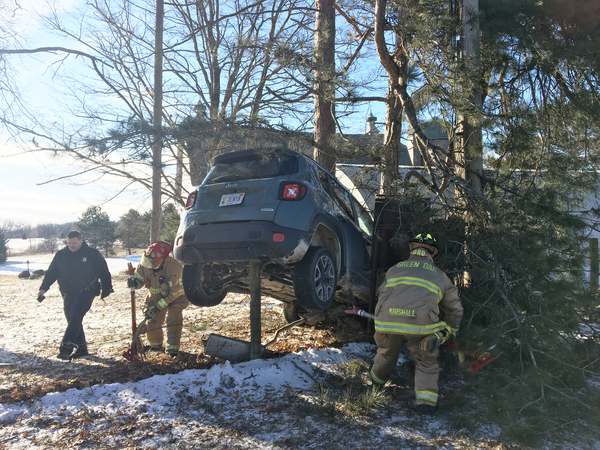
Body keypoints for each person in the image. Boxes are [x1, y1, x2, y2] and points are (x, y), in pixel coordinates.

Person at [370, 233, 463, 415]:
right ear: (432, 254)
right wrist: (449, 331)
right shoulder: (439, 276)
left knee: (386, 355)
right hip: (420, 326)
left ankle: (373, 388)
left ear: (412, 250)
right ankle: (426, 406)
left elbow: (380, 293)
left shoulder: (395, 269)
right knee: (426, 361)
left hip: (387, 323)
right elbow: (455, 309)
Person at [37, 230, 113, 360]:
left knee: (75, 316)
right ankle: (82, 348)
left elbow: (104, 272)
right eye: (69, 243)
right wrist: (43, 288)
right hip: (67, 293)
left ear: (80, 241)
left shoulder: (92, 254)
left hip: (87, 291)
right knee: (72, 320)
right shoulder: (61, 255)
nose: (71, 245)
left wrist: (107, 288)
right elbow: (51, 273)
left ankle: (65, 349)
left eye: (74, 243)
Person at [128, 241, 189, 357]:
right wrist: (135, 282)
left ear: (163, 260)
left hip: (177, 297)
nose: (149, 265)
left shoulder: (174, 267)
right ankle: (155, 346)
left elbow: (173, 293)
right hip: (155, 296)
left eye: (153, 263)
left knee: (173, 319)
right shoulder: (146, 262)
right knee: (153, 321)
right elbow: (139, 277)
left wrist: (157, 307)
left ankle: (172, 350)